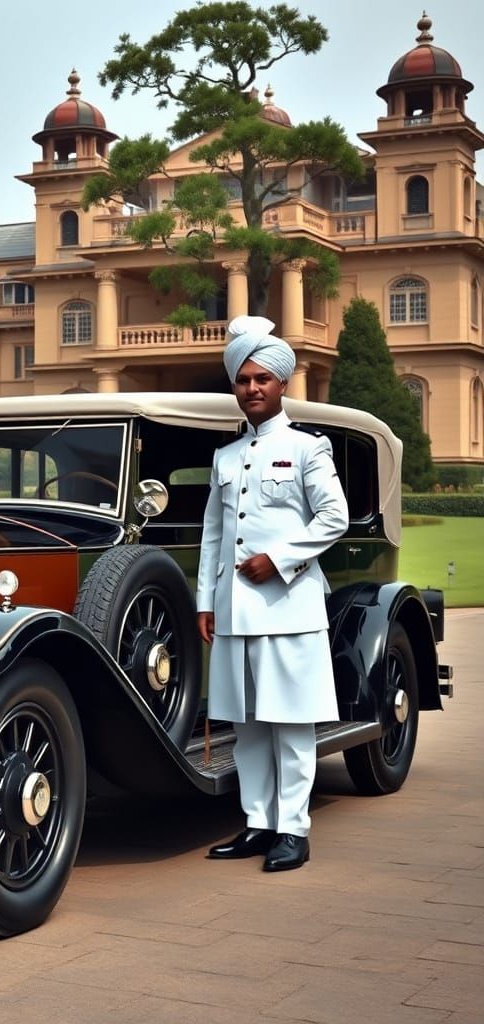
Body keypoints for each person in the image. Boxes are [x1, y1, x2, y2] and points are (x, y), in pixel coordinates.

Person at [197, 315, 349, 871]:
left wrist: (280, 559)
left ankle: (294, 830)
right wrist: (205, 603)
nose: (252, 388)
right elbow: (214, 534)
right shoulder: (226, 457)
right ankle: (258, 823)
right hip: (235, 611)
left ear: (282, 384)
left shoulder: (308, 448)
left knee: (290, 723)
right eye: (243, 379)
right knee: (248, 726)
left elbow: (336, 517)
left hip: (290, 609)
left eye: (263, 378)